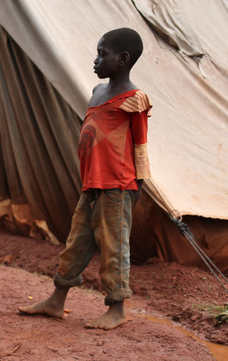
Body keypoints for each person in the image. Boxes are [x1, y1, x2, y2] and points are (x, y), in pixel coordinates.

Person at [19, 27, 151, 330]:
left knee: (114, 246)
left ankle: (117, 309)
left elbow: (140, 145)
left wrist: (137, 187)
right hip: (92, 183)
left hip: (117, 185)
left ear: (123, 59)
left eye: (102, 54)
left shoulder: (135, 99)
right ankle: (56, 301)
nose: (96, 60)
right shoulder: (97, 92)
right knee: (76, 243)